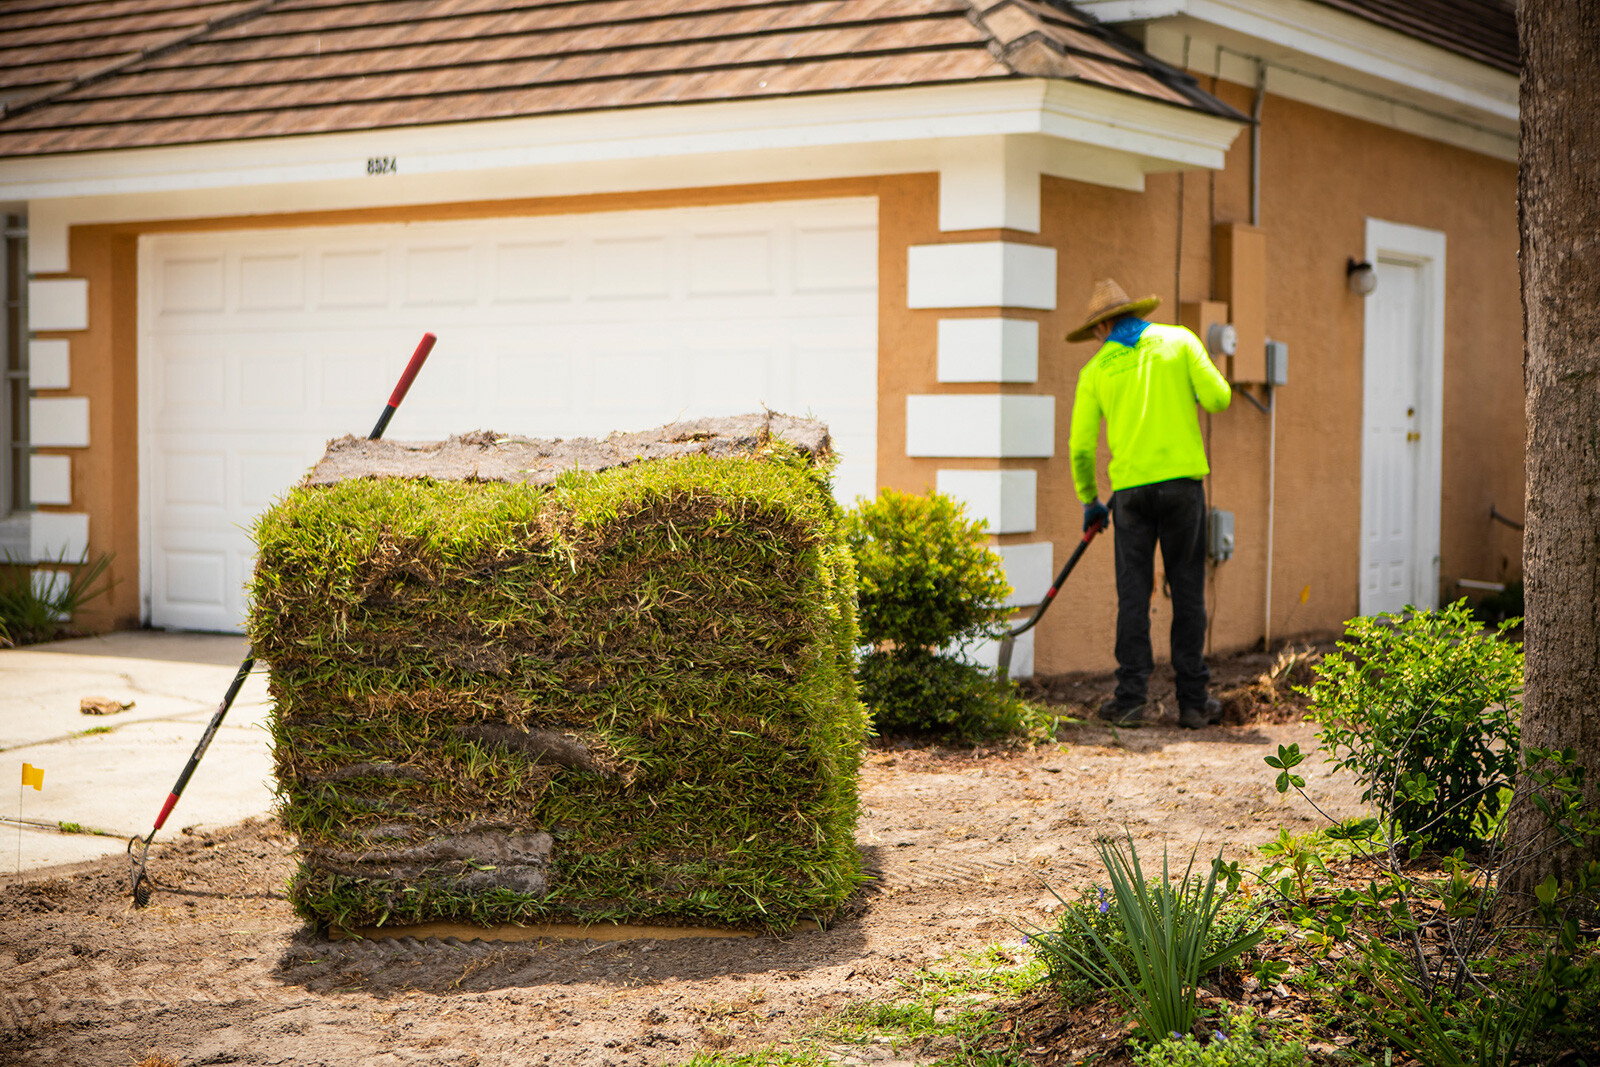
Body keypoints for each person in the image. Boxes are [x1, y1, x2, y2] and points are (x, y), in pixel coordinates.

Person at [1065, 278, 1232, 728]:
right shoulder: (1180, 341)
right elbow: (1219, 397)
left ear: (1100, 329)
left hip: (1131, 497)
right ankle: (1194, 703)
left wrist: (1090, 502)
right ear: (1139, 313)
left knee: (1134, 595)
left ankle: (1131, 700)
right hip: (1182, 488)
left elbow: (1081, 449)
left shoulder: (1096, 369)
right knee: (1188, 591)